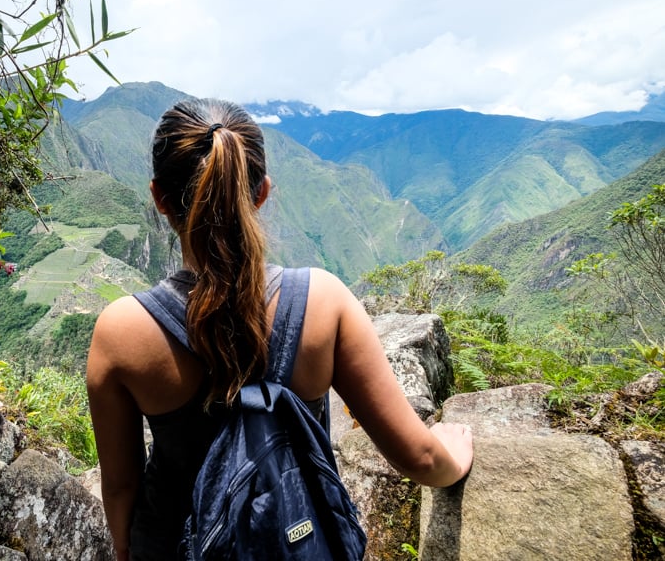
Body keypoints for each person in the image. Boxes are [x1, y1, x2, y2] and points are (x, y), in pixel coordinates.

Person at [86, 98, 474, 560]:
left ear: (159, 197)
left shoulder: (121, 333)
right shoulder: (324, 303)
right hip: (297, 538)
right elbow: (421, 459)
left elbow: (122, 492)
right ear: (262, 191)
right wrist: (452, 450)